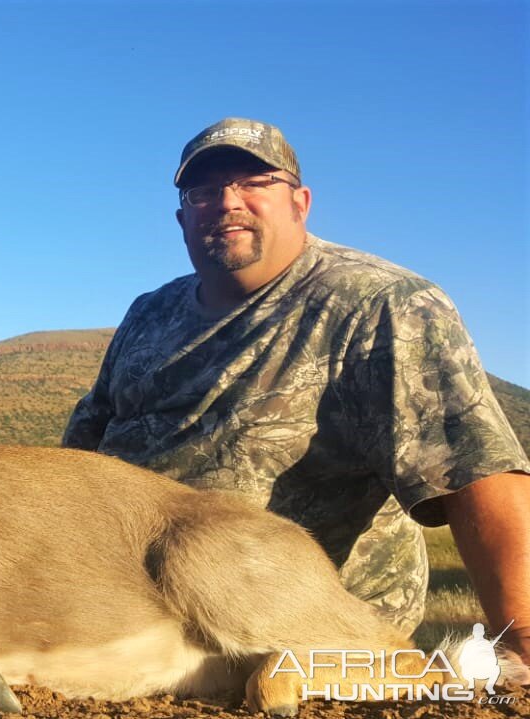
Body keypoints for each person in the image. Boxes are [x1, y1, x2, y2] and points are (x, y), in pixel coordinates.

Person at [63, 117, 530, 666]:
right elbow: (78, 464)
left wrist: (521, 644)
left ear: (300, 203)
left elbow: (474, 472)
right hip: (131, 617)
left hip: (292, 630)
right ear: (182, 216)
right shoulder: (148, 314)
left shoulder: (383, 304)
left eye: (255, 183)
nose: (227, 202)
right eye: (204, 191)